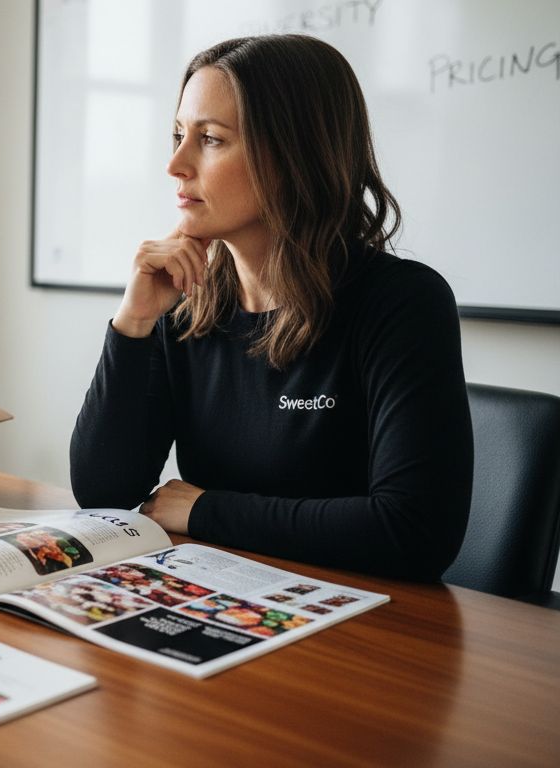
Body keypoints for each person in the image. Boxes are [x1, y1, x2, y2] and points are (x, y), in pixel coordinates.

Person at [69, 35, 472, 581]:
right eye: (178, 134)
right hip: (228, 595)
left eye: (210, 139)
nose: (176, 164)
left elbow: (414, 531)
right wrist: (133, 323)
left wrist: (205, 510)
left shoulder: (402, 303)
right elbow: (104, 495)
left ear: (292, 154)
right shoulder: (186, 305)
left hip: (368, 627)